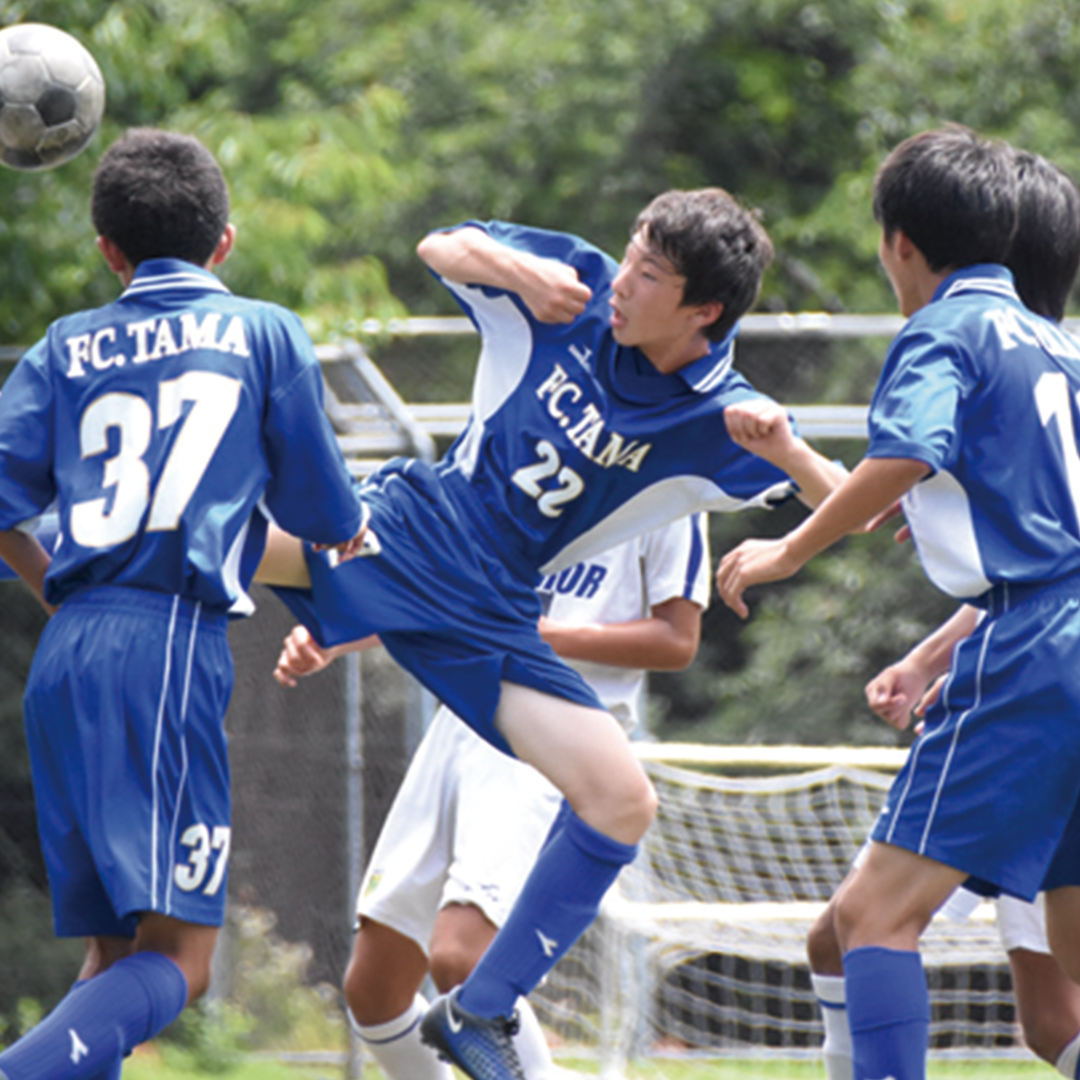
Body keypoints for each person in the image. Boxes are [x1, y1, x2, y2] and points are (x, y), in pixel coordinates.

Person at [255, 186, 848, 1080]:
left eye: (650, 273)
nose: (624, 279)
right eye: (632, 252)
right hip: (419, 535)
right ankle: (62, 529)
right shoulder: (573, 283)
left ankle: (483, 1014)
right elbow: (438, 245)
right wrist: (516, 271)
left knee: (623, 801)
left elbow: (849, 501)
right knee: (220, 541)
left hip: (494, 613)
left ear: (703, 311)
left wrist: (791, 453)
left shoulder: (717, 414)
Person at [716, 124, 1080, 1080]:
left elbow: (908, 458)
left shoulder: (945, 329)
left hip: (1032, 649)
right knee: (1067, 984)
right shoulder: (1055, 347)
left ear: (899, 245)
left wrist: (790, 548)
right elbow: (928, 504)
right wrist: (795, 458)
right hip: (1062, 636)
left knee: (872, 919)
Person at [0, 128, 364, 1080]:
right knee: (184, 962)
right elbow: (323, 513)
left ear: (109, 253)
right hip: (165, 647)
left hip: (69, 650)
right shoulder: (263, 331)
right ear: (226, 243)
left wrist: (64, 594)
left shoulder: (63, 344)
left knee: (114, 956)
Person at [273, 515, 710, 1080]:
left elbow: (677, 640)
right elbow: (444, 591)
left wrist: (532, 634)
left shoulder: (668, 485)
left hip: (555, 729)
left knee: (464, 959)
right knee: (374, 990)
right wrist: (337, 637)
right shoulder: (517, 449)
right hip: (462, 718)